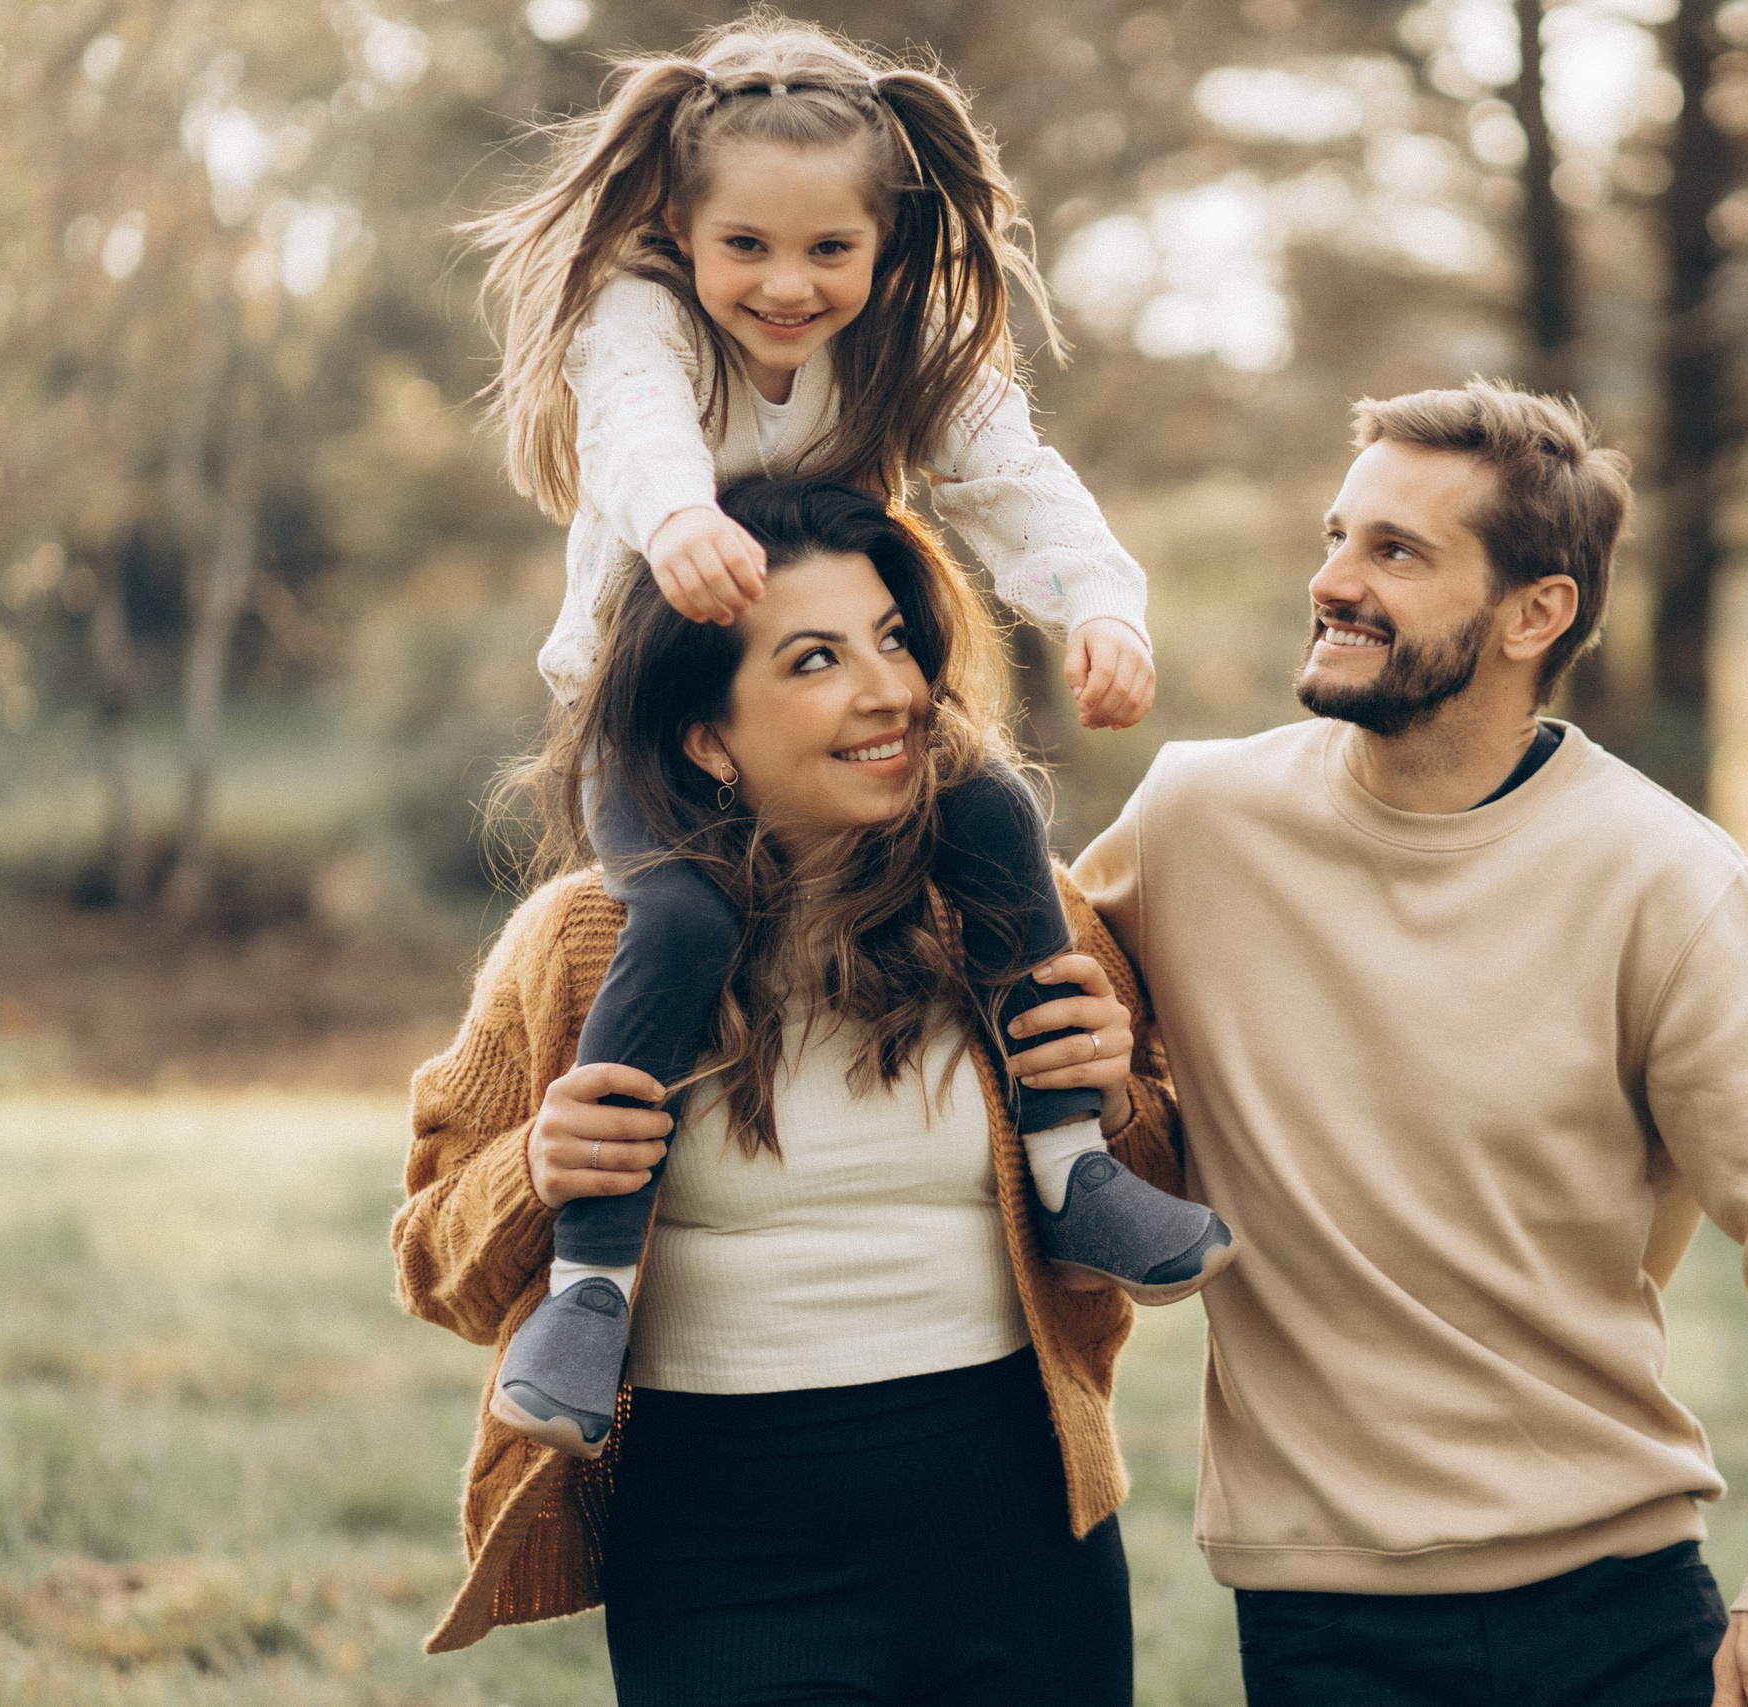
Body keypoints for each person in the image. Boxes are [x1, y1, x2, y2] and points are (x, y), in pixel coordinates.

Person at [461, 15, 1228, 1458]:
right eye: (745, 244)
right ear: (680, 224)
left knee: (999, 817)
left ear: (885, 245)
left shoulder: (907, 340)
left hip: (839, 692)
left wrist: (1102, 608)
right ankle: (592, 1285)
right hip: (649, 714)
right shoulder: (643, 318)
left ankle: (1070, 1162)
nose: (786, 285)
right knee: (680, 914)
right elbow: (633, 431)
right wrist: (678, 517)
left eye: (830, 251)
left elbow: (1015, 477)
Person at [1073, 381, 1748, 1707]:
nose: (1333, 579)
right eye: (1338, 535)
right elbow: (1009, 977)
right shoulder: (1194, 819)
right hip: (1319, 1614)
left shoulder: (1661, 876)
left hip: (1614, 1597)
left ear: (1537, 610)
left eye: (1396, 551)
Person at [395, 479, 1173, 1701]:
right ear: (706, 735)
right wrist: (535, 1173)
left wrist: (1117, 1100)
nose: (891, 693)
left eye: (895, 641)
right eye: (815, 659)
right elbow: (434, 1264)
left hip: (1020, 1515)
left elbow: (1161, 1196)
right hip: (721, 1545)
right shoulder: (584, 943)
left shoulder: (1025, 907)